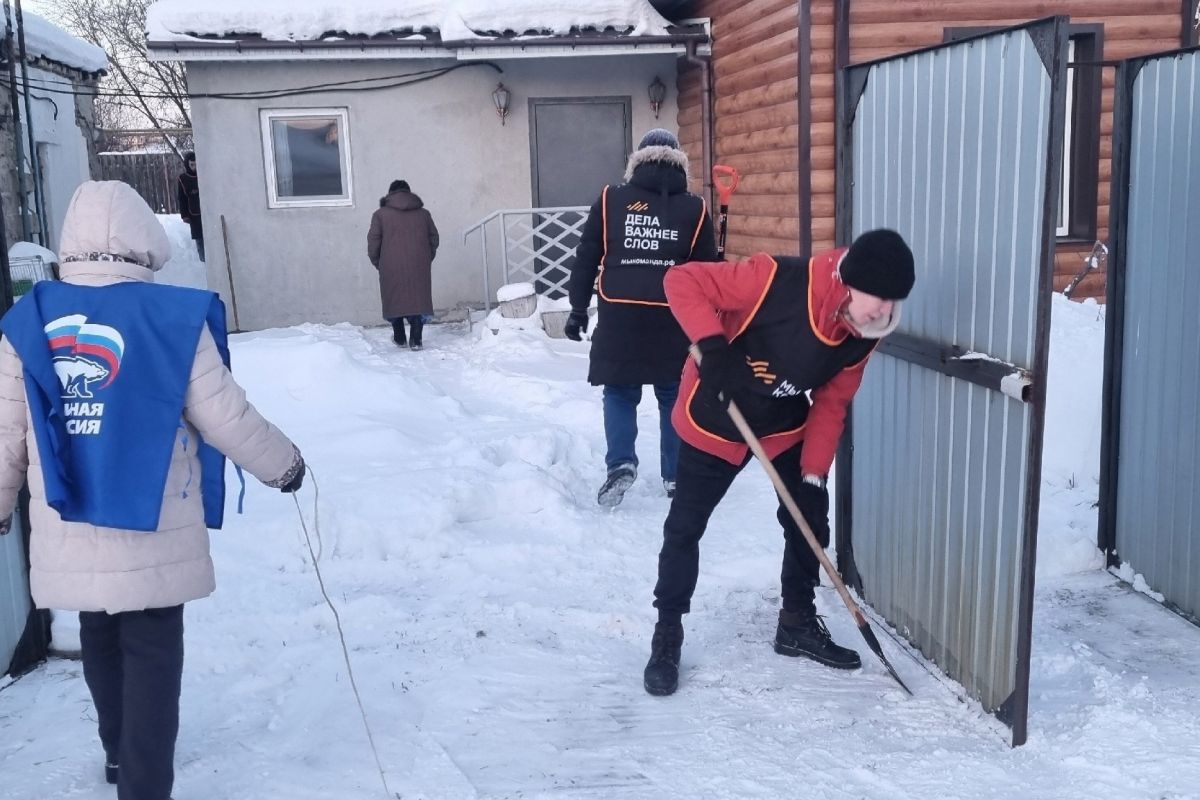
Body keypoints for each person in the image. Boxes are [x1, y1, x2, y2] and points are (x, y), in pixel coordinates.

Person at [0, 180, 306, 800]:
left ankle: (118, 755)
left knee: (100, 633)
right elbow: (225, 415)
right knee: (152, 649)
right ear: (144, 241)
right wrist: (284, 466)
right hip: (155, 524)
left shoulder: (27, 321)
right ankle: (144, 785)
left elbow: (5, 429)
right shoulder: (172, 320)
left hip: (70, 521)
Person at [642, 229, 916, 696]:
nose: (885, 314)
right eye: (880, 302)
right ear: (849, 283)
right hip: (717, 413)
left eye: (894, 304)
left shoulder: (866, 330)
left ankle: (796, 621)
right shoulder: (773, 280)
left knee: (808, 517)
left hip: (780, 423)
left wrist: (813, 474)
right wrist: (712, 346)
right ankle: (668, 631)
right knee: (685, 527)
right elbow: (681, 280)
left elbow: (832, 403)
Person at [564, 128, 717, 507]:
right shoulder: (695, 208)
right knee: (673, 395)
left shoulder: (610, 199)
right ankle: (677, 474)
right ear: (678, 160)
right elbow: (708, 271)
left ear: (638, 159)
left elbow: (587, 256)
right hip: (672, 315)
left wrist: (578, 307)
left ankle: (620, 465)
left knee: (619, 391)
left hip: (620, 314)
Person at [367, 179, 439, 350]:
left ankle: (400, 338)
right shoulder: (424, 214)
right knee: (417, 299)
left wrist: (378, 262)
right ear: (409, 192)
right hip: (419, 263)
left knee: (395, 299)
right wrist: (426, 258)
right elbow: (434, 239)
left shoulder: (380, 215)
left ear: (390, 194)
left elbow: (373, 242)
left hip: (390, 265)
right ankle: (416, 339)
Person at [176, 150, 204, 261]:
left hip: (206, 212)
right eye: (192, 165)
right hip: (193, 213)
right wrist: (185, 215)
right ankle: (203, 260)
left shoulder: (203, 176)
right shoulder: (183, 178)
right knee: (199, 238)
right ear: (187, 164)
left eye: (196, 164)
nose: (194, 167)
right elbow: (181, 198)